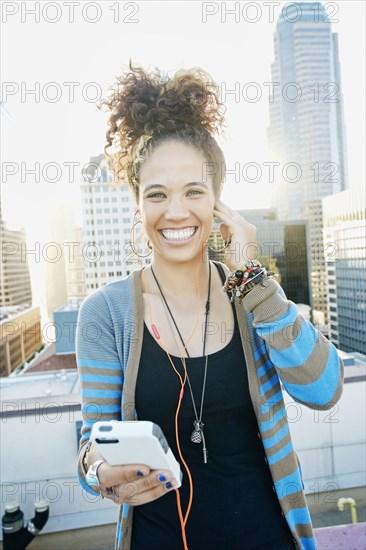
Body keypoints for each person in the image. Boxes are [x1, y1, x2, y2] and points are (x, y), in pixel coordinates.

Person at [75, 61, 344, 550]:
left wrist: (252, 280)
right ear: (138, 206)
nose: (176, 211)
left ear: (219, 203)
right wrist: (99, 470)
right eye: (157, 194)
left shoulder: (251, 297)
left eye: (193, 191)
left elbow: (324, 389)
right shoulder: (105, 315)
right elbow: (91, 445)